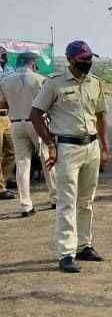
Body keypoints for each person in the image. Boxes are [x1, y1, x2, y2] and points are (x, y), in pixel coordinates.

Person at [29, 41, 109, 273]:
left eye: (89, 59)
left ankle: (84, 245)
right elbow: (35, 115)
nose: (87, 63)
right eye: (82, 60)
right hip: (67, 149)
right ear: (70, 60)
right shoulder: (54, 83)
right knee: (66, 202)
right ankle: (66, 253)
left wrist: (105, 148)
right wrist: (49, 145)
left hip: (91, 147)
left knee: (86, 201)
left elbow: (102, 116)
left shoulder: (95, 83)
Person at [0, 52, 56, 217]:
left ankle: (25, 205)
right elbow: (48, 104)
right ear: (32, 63)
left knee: (22, 164)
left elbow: (2, 103)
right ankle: (55, 197)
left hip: (16, 123)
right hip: (37, 123)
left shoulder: (5, 81)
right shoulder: (40, 80)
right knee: (47, 158)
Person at [0, 45, 14, 200]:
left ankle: (4, 179)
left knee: (11, 151)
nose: (2, 56)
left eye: (3, 54)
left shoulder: (10, 69)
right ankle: (0, 188)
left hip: (7, 116)